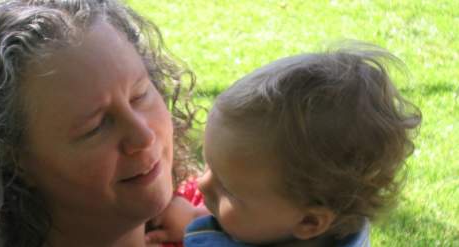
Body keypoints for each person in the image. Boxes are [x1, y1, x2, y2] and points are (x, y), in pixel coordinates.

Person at [0, 0, 200, 246]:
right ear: (15, 159)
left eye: (140, 95)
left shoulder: (219, 207)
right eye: (95, 127)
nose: (143, 136)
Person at [146, 43, 422, 247]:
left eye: (228, 191)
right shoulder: (298, 222)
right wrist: (194, 217)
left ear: (309, 223)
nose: (203, 184)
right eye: (209, 166)